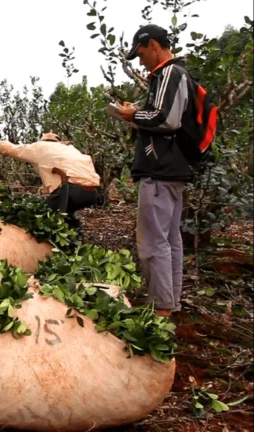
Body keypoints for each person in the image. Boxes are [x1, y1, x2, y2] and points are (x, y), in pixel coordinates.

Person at [113, 24, 195, 318]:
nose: (141, 60)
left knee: (151, 243)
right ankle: (169, 304)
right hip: (173, 170)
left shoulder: (170, 73)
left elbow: (166, 119)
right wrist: (136, 113)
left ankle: (160, 310)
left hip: (160, 170)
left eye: (142, 53)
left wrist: (131, 115)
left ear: (153, 44)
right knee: (170, 240)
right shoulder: (178, 74)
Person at [0, 132, 101, 229]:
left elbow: (14, 150)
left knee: (42, 216)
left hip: (70, 190)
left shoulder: (41, 147)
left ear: (43, 141)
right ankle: (75, 240)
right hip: (92, 193)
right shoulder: (70, 149)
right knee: (65, 212)